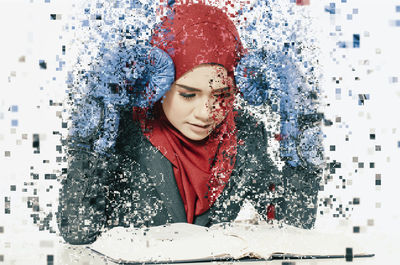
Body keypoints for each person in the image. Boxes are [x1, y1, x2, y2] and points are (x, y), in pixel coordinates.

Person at [57, 3, 321, 245]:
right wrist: (91, 138)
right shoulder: (124, 131)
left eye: (222, 96)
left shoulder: (245, 136)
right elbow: (78, 231)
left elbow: (293, 225)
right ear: (160, 84)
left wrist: (302, 126)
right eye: (188, 94)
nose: (206, 112)